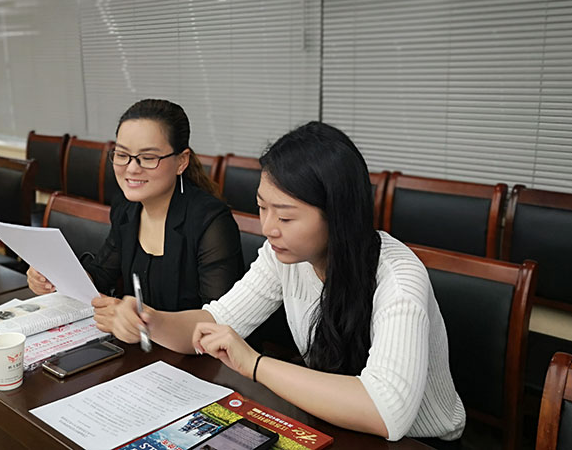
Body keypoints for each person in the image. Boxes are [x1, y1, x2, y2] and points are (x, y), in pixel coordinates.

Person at [101, 122, 466, 445]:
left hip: (416, 442)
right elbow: (214, 322)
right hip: (330, 421)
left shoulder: (398, 279)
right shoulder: (283, 256)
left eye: (286, 217)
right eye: (262, 208)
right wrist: (150, 320)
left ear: (337, 216)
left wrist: (254, 364)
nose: (268, 228)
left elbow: (386, 413)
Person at [27, 98, 244, 317]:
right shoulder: (126, 208)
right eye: (122, 155)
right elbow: (101, 275)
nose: (131, 168)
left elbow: (218, 319)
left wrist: (140, 320)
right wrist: (55, 279)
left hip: (189, 341)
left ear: (181, 161)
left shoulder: (212, 222)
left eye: (148, 158)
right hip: (134, 337)